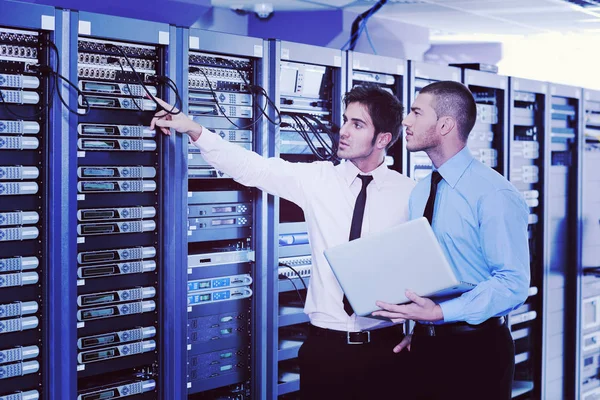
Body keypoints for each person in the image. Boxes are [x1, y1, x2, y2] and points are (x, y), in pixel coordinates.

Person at [150, 85, 415, 399]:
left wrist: (420, 330)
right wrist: (194, 129)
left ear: (383, 138)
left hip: (387, 350)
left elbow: (426, 271)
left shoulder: (410, 193)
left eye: (357, 125)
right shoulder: (319, 180)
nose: (343, 131)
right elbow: (253, 168)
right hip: (326, 349)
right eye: (345, 120)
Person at [372, 81, 530, 400]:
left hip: (478, 350)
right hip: (428, 343)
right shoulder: (422, 190)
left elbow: (513, 284)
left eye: (416, 112)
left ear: (445, 125)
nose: (406, 121)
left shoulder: (494, 194)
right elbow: (431, 270)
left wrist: (441, 315)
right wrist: (421, 328)